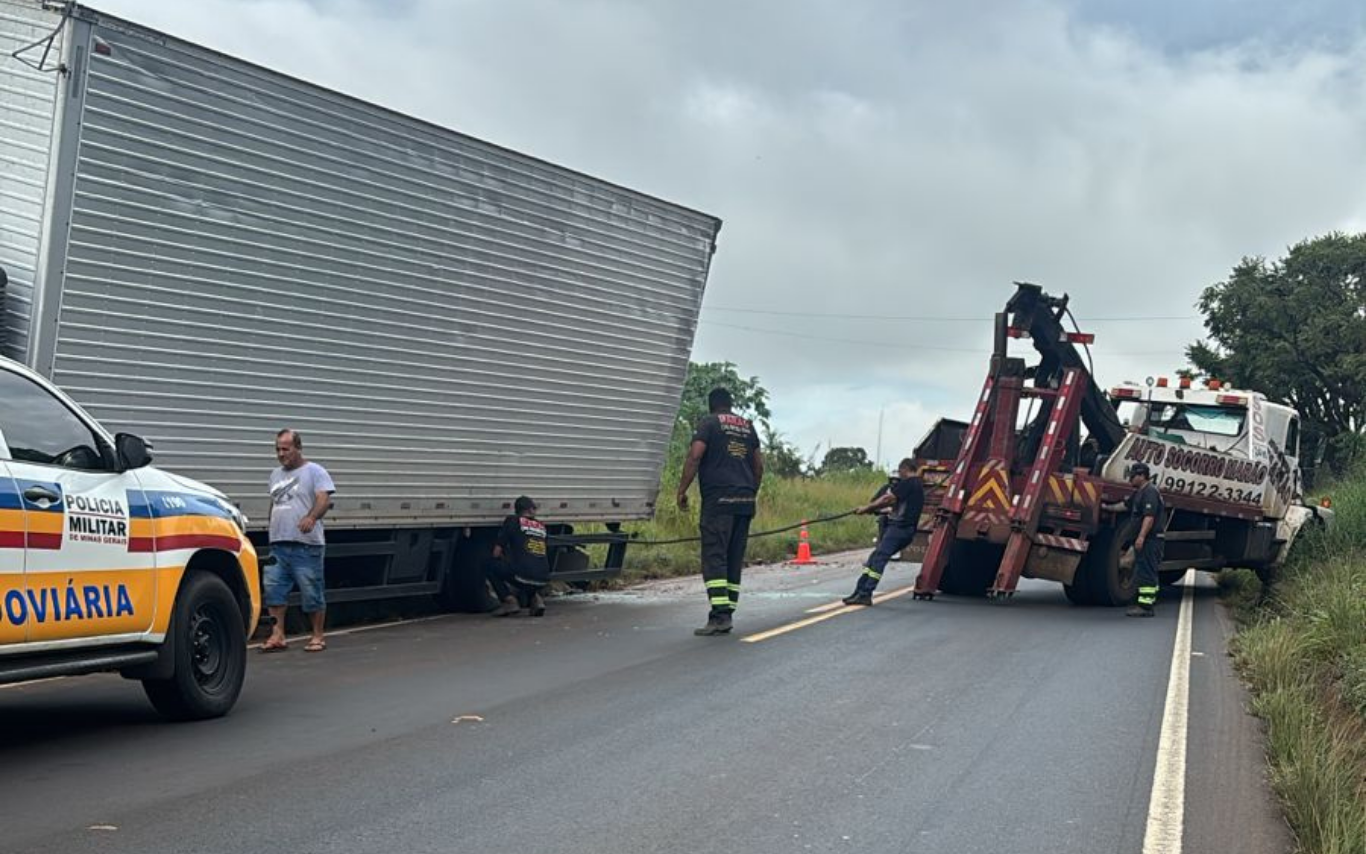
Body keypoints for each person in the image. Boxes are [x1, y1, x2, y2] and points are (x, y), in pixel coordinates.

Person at [677, 388, 764, 636]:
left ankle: (720, 616)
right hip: (745, 501)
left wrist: (682, 490)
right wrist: (750, 493)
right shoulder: (747, 426)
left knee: (715, 557)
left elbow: (695, 456)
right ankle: (727, 611)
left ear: (711, 405)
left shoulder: (709, 423)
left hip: (719, 502)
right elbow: (758, 466)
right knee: (734, 558)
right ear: (730, 404)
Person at [261, 429, 336, 653]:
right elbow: (273, 503)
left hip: (306, 544)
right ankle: (277, 635)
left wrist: (311, 517)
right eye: (278, 449)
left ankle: (317, 636)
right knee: (273, 590)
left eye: (286, 449)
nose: (281, 454)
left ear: (298, 448)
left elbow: (324, 499)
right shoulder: (275, 475)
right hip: (279, 544)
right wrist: (271, 529)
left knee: (311, 590)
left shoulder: (315, 471)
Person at [843, 458, 924, 606]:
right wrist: (875, 509)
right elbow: (894, 506)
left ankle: (866, 593)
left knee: (879, 558)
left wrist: (866, 508)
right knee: (874, 557)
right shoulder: (917, 486)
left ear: (905, 469)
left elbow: (888, 499)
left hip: (899, 529)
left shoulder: (909, 483)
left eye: (900, 472)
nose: (899, 476)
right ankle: (859, 591)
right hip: (904, 530)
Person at [487, 496, 551, 618]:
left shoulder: (512, 521)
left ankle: (509, 601)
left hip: (522, 576)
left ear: (517, 510)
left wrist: (504, 557)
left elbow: (496, 552)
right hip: (544, 578)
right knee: (530, 566)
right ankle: (536, 600)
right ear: (531, 510)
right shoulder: (541, 526)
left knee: (491, 565)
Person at [1121, 462, 1164, 617]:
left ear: (1141, 476)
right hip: (1147, 539)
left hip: (1151, 540)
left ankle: (1146, 607)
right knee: (1144, 570)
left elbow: (1149, 517)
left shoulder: (1150, 492)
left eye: (1133, 476)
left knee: (1147, 571)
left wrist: (1141, 537)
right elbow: (1126, 506)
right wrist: (1107, 507)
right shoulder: (1139, 492)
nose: (1130, 479)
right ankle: (1147, 602)